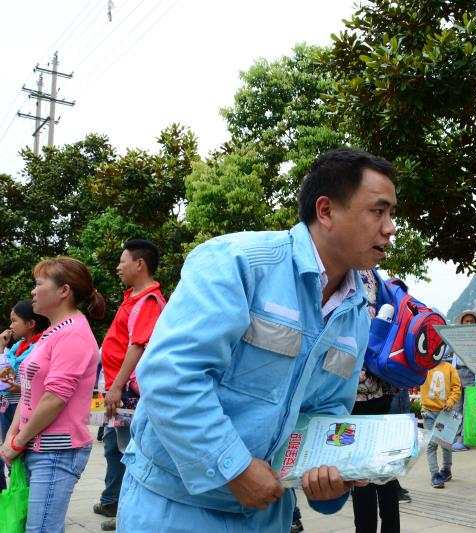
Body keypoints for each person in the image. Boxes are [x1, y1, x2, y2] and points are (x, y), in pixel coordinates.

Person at [116, 148, 397, 532]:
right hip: (175, 506)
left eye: (391, 214)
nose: (389, 228)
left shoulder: (355, 312)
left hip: (268, 513)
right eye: (378, 211)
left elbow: (328, 408)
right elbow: (170, 376)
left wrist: (330, 477)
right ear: (326, 211)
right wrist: (234, 467)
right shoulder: (238, 263)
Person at [0, 257, 105, 532]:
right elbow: (29, 394)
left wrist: (18, 440)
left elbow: (54, 398)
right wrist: (13, 435)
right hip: (37, 446)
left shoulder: (74, 334)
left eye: (39, 284)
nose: (33, 291)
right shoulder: (52, 332)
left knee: (42, 529)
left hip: (56, 451)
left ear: (63, 291)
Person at [94, 239, 166, 531]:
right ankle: (120, 505)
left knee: (132, 453)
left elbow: (137, 345)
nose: (118, 266)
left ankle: (130, 513)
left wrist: (116, 387)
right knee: (116, 449)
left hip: (126, 391)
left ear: (139, 264)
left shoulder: (149, 300)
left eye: (122, 261)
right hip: (114, 388)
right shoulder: (133, 297)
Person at [349, 268, 402, 533]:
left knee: (363, 476)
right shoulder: (377, 279)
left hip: (358, 391)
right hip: (383, 385)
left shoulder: (349, 274)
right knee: (384, 470)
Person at [0, 300, 49, 490]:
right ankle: (16, 491)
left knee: (20, 452)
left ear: (30, 324)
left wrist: (1, 351)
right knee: (9, 451)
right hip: (8, 405)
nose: (10, 326)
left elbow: (11, 381)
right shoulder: (16, 347)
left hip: (23, 406)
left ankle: (23, 492)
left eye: (14, 321)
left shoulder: (37, 348)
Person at [421, 357, 461, 489]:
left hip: (445, 413)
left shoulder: (449, 368)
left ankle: (446, 469)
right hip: (429, 412)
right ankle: (435, 474)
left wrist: (450, 402)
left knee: (446, 443)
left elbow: (456, 387)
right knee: (431, 445)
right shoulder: (424, 366)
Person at [451, 310, 476, 451]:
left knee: (467, 407)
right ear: (462, 323)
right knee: (456, 407)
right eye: (466, 321)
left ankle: (464, 439)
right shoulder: (456, 337)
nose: (468, 323)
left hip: (471, 373)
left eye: (471, 321)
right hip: (457, 373)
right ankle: (454, 437)